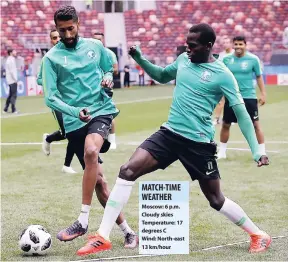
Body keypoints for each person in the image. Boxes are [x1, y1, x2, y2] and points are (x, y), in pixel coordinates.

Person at [76, 23, 271, 256]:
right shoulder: (183, 60)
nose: (187, 49)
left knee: (215, 199)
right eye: (186, 44)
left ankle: (258, 234)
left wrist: (257, 151)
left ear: (209, 45)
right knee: (127, 170)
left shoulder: (223, 75)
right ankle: (103, 236)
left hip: (198, 144)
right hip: (168, 135)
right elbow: (161, 75)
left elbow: (242, 114)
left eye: (193, 45)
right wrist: (140, 58)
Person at [41, 5, 137, 248]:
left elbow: (110, 63)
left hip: (100, 111)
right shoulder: (51, 58)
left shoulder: (94, 47)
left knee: (92, 151)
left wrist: (107, 76)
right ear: (56, 29)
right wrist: (74, 111)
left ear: (78, 24)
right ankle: (128, 232)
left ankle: (82, 220)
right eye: (62, 31)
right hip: (74, 121)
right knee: (100, 183)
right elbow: (50, 97)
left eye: (70, 28)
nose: (67, 34)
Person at [218, 36, 267, 159]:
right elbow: (221, 77)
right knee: (225, 124)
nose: (238, 47)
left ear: (245, 45)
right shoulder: (226, 60)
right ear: (232, 45)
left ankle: (262, 151)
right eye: (236, 44)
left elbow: (259, 77)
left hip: (249, 97)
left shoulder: (253, 59)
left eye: (240, 44)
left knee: (255, 124)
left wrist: (263, 93)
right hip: (232, 97)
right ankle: (222, 152)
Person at [38, 29, 76, 174]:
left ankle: (49, 140)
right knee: (69, 131)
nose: (57, 40)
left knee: (74, 130)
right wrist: (53, 82)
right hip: (57, 101)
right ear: (50, 40)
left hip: (73, 99)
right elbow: (39, 79)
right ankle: (65, 163)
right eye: (54, 38)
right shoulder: (48, 58)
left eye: (58, 37)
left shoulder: (70, 54)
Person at [93, 32, 118, 150]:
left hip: (105, 88)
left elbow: (115, 69)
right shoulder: (88, 54)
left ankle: (112, 140)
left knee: (107, 113)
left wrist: (105, 74)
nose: (97, 41)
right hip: (91, 90)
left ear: (103, 40)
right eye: (95, 39)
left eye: (99, 39)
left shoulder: (109, 53)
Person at [213, 36, 234, 125]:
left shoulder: (235, 54)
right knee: (220, 101)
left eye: (227, 42)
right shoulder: (221, 55)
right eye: (224, 43)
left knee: (232, 101)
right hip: (222, 81)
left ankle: (232, 119)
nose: (225, 44)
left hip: (233, 81)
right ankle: (216, 119)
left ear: (231, 44)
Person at [3, 49, 18, 114]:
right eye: (14, 51)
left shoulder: (9, 60)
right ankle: (13, 109)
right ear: (11, 53)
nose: (15, 52)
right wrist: (15, 79)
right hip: (12, 80)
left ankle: (5, 109)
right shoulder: (11, 60)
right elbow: (12, 71)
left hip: (9, 80)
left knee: (10, 95)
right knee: (13, 95)